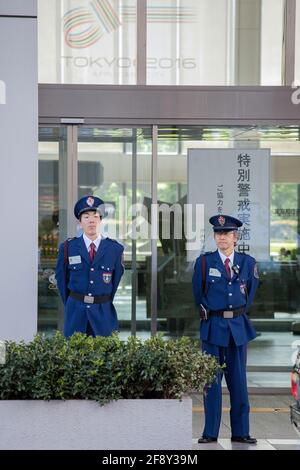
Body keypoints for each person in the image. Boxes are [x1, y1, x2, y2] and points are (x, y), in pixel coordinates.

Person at [192, 214, 259, 445]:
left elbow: (249, 294)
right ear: (214, 236)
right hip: (213, 327)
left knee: (239, 382)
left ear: (235, 237)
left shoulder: (248, 263)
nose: (222, 237)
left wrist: (235, 314)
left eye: (227, 234)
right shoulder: (204, 263)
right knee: (211, 382)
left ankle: (241, 431)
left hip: (238, 328)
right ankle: (210, 432)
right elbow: (198, 295)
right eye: (218, 233)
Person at [55, 195, 124, 338]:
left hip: (103, 312)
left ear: (101, 220)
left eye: (95, 216)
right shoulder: (68, 247)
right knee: (74, 356)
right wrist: (73, 302)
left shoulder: (115, 249)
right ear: (80, 222)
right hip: (76, 312)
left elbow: (115, 281)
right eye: (86, 217)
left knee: (105, 356)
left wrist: (101, 299)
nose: (91, 220)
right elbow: (61, 280)